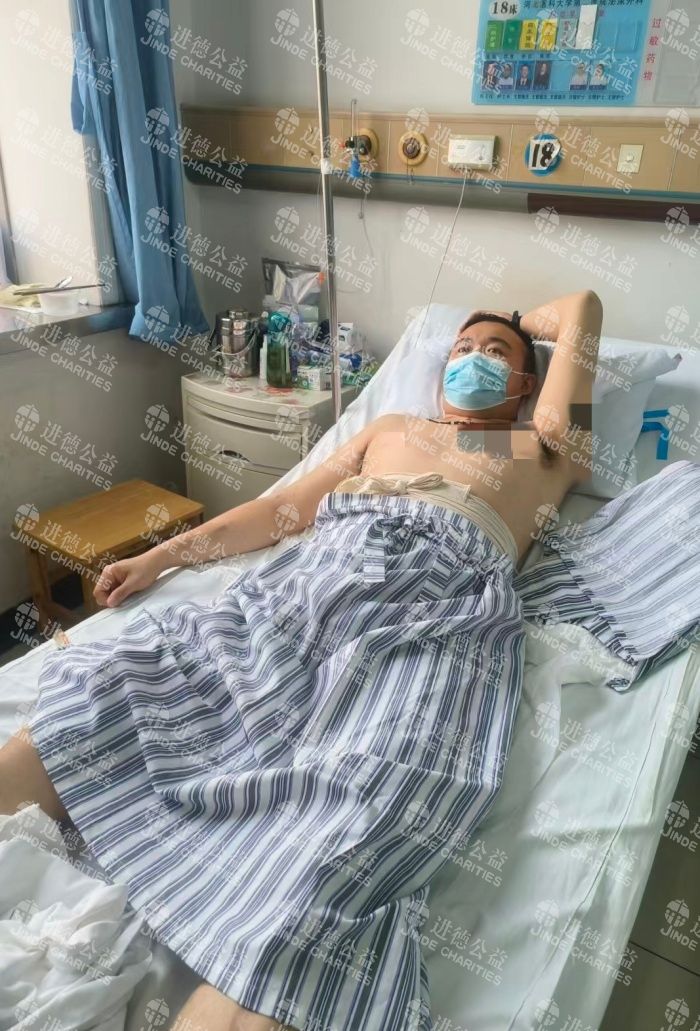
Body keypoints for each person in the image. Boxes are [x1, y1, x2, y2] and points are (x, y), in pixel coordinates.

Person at [0, 292, 602, 1031]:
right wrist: (162, 556)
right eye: (460, 350)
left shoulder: (544, 452)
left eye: (494, 355)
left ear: (528, 385)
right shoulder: (392, 429)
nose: (471, 359)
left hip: (430, 622)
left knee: (356, 818)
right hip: (305, 590)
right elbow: (278, 512)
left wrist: (515, 321)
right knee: (120, 685)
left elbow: (585, 307)